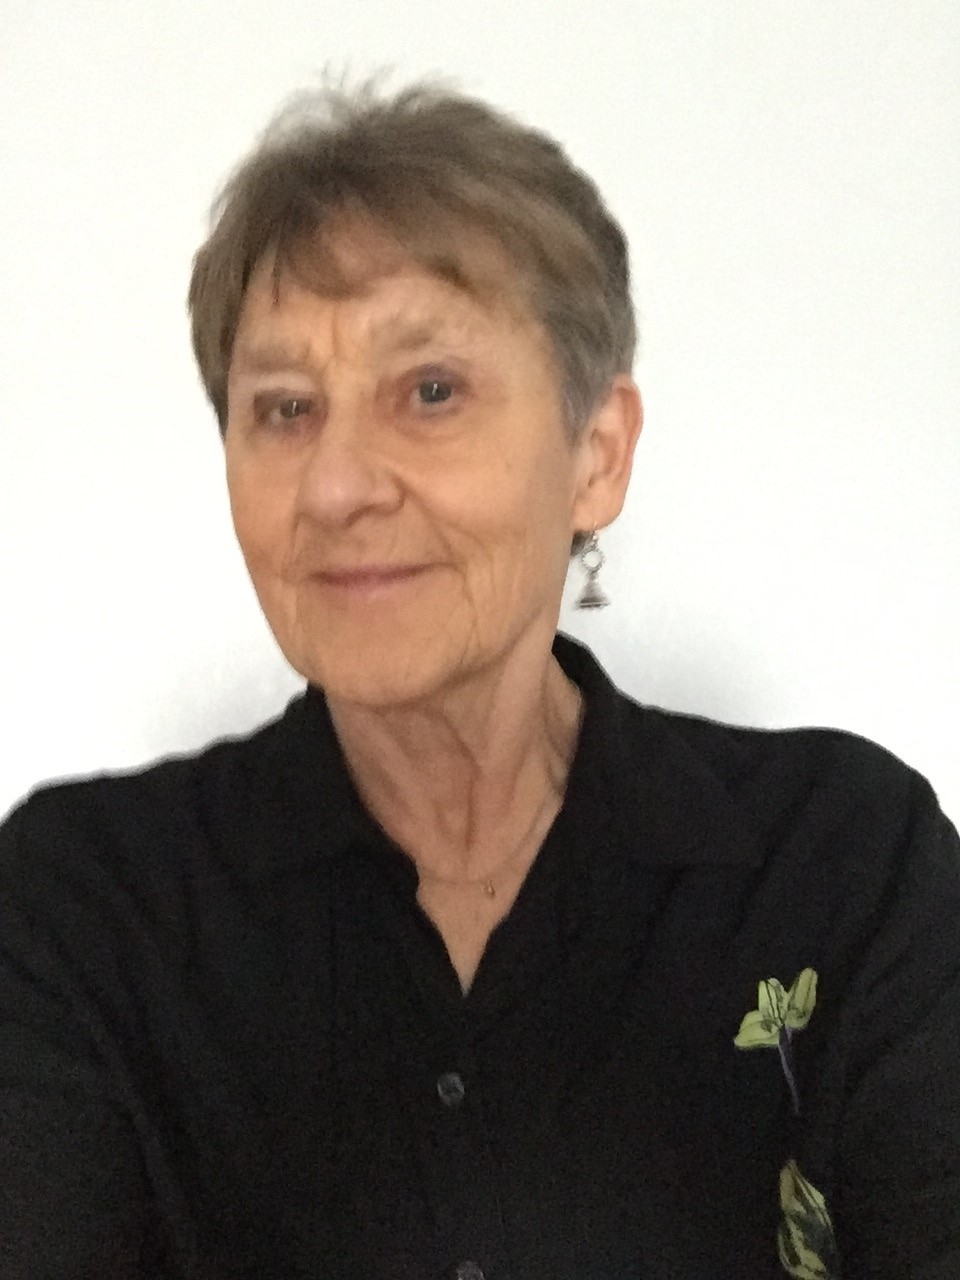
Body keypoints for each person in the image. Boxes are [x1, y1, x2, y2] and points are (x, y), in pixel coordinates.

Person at [1, 76, 958, 1280]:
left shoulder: (846, 866)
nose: (337, 485)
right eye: (285, 409)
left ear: (597, 453)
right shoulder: (86, 910)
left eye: (430, 391)